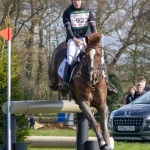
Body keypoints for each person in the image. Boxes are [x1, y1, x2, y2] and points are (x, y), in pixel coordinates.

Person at [60, 0, 117, 95]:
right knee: (70, 57)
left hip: (87, 39)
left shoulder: (88, 11)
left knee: (100, 58)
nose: (77, 2)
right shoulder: (67, 12)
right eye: (74, 0)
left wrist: (95, 36)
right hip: (73, 39)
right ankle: (65, 82)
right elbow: (69, 29)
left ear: (81, 1)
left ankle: (107, 83)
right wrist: (75, 40)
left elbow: (92, 26)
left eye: (78, 0)